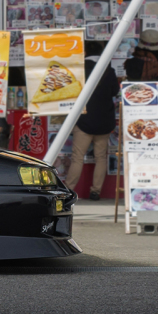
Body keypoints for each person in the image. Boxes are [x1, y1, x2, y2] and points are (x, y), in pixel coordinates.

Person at [66, 42, 120, 201]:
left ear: (86, 51)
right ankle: (95, 191)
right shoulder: (108, 70)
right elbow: (114, 92)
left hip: (84, 119)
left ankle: (69, 190)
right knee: (101, 157)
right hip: (104, 120)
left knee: (77, 157)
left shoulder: (80, 69)